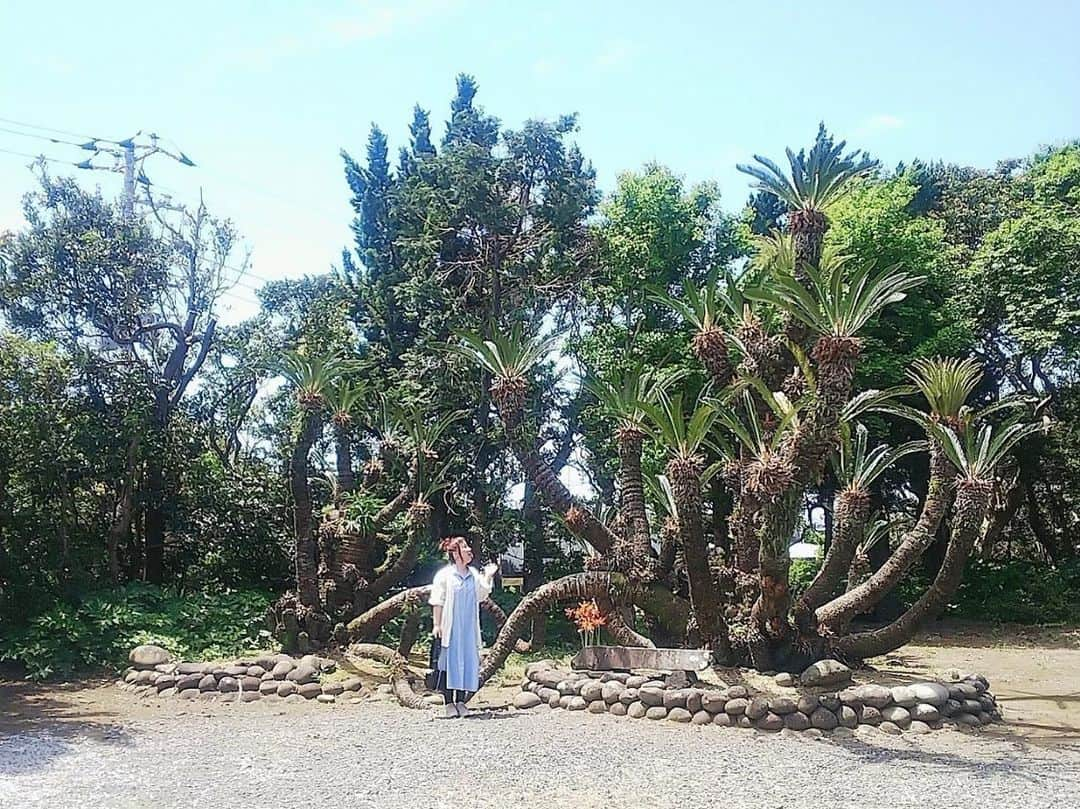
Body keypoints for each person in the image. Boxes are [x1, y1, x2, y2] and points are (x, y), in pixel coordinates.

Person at [428, 536, 497, 718]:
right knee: (449, 663)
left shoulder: (473, 574)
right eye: (464, 547)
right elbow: (438, 600)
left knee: (466, 662)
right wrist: (437, 624)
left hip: (468, 628)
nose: (468, 549)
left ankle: (461, 701)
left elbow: (481, 595)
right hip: (450, 627)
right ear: (455, 553)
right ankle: (449, 703)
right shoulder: (445, 575)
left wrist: (488, 575)